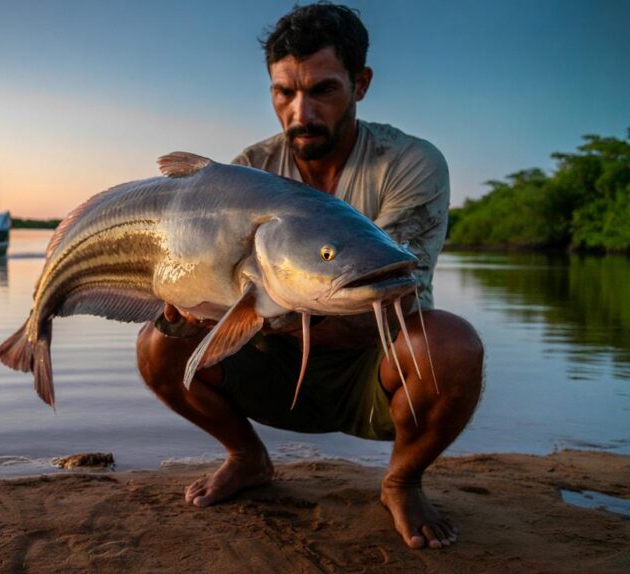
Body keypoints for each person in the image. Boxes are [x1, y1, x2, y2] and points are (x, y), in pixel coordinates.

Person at [136, 2, 483, 550]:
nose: (301, 112)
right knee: (158, 346)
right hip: (272, 363)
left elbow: (398, 286)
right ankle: (247, 457)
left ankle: (401, 479)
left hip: (375, 364)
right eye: (284, 93)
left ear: (360, 83)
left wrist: (257, 313)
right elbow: (212, 282)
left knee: (454, 344)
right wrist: (185, 307)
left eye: (322, 90)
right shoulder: (248, 168)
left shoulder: (410, 162)